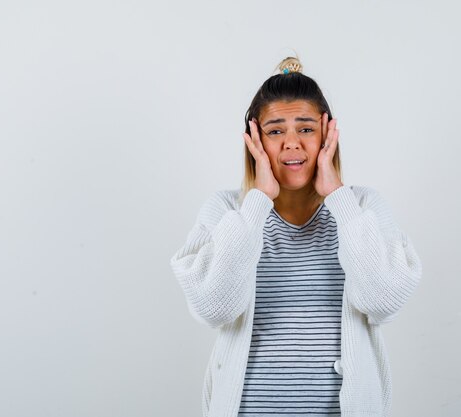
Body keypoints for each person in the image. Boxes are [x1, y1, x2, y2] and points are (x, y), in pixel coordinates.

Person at [169, 57, 423, 417]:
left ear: (327, 135)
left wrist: (338, 197)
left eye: (305, 129)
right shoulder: (228, 211)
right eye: (275, 131)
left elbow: (382, 302)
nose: (291, 144)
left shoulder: (361, 207)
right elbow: (214, 309)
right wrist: (258, 200)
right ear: (254, 139)